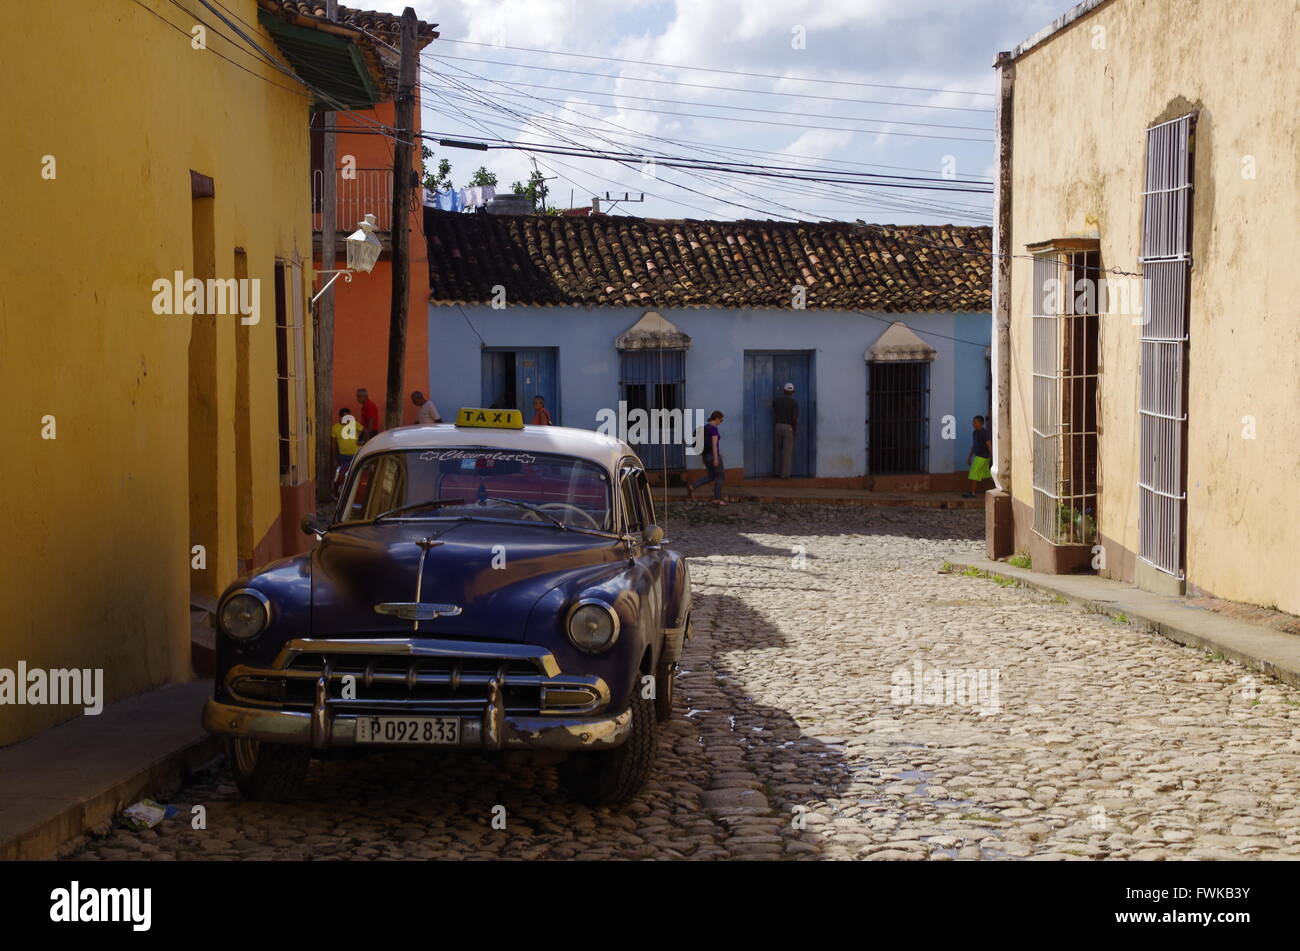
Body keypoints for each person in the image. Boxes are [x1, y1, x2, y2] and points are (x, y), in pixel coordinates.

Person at [686, 411, 726, 506]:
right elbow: (714, 445)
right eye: (721, 420)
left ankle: (693, 486)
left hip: (706, 456)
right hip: (713, 455)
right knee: (720, 477)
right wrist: (716, 458)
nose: (721, 422)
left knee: (711, 476)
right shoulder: (713, 429)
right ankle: (717, 499)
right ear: (716, 418)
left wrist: (706, 458)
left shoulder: (705, 428)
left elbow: (702, 446)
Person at [772, 382, 799, 479]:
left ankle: (777, 472)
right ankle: (785, 475)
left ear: (784, 391)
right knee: (787, 452)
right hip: (788, 428)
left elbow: (774, 411)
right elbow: (794, 419)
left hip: (777, 426)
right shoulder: (794, 403)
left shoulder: (777, 401)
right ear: (792, 392)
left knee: (777, 450)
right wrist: (794, 430)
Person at [330, 408, 359, 496]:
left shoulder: (354, 424)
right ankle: (337, 490)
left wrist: (362, 441)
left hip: (355, 454)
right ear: (341, 417)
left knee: (352, 474)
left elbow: (365, 431)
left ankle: (346, 493)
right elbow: (333, 444)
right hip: (343, 455)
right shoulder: (335, 428)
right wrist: (335, 457)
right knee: (342, 474)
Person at [966, 415, 992, 497]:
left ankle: (972, 493)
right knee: (987, 475)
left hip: (982, 457)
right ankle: (994, 490)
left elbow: (989, 444)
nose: (973, 424)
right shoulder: (975, 433)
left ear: (980, 423)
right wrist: (969, 456)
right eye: (973, 422)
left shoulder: (984, 432)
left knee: (974, 474)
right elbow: (974, 445)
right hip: (979, 456)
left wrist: (992, 456)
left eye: (975, 422)